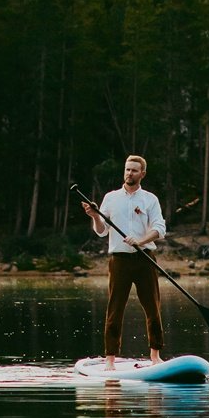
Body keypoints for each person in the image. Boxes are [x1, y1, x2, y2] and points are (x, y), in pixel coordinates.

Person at [83, 154, 166, 366]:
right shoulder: (111, 198)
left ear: (142, 174)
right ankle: (110, 359)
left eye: (134, 170)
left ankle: (155, 356)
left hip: (144, 258)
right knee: (115, 308)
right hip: (119, 260)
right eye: (127, 169)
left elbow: (159, 229)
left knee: (152, 307)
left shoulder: (150, 199)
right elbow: (102, 231)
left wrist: (140, 240)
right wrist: (94, 216)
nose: (130, 173)